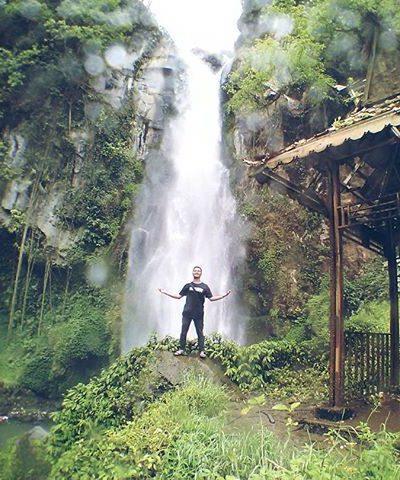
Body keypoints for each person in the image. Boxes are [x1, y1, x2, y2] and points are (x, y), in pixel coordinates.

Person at [158, 266, 231, 358]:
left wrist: (224, 295)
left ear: (201, 273)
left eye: (198, 271)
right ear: (192, 273)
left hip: (198, 314)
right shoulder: (187, 286)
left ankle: (201, 351)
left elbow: (211, 298)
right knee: (183, 331)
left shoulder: (205, 287)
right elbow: (178, 296)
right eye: (195, 270)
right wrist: (165, 292)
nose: (197, 272)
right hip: (187, 313)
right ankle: (181, 349)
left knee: (200, 332)